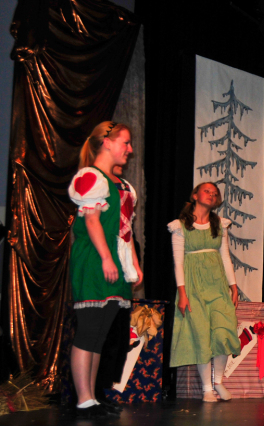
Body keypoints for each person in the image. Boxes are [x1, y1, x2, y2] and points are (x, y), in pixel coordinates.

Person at [67, 121, 143, 418]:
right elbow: (92, 221)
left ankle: (93, 396)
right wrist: (106, 258)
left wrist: (133, 263)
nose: (130, 149)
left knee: (99, 335)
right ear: (107, 143)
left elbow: (125, 229)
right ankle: (83, 399)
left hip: (114, 261)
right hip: (95, 260)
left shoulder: (119, 185)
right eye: (125, 142)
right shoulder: (91, 177)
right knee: (88, 332)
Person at [167, 182, 241, 402]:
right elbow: (178, 263)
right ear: (195, 195)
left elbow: (225, 257)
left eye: (215, 193)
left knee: (222, 332)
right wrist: (182, 293)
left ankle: (218, 382)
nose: (211, 195)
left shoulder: (219, 224)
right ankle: (207, 389)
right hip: (193, 286)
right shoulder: (180, 226)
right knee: (201, 335)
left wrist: (233, 285)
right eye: (207, 191)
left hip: (217, 284)